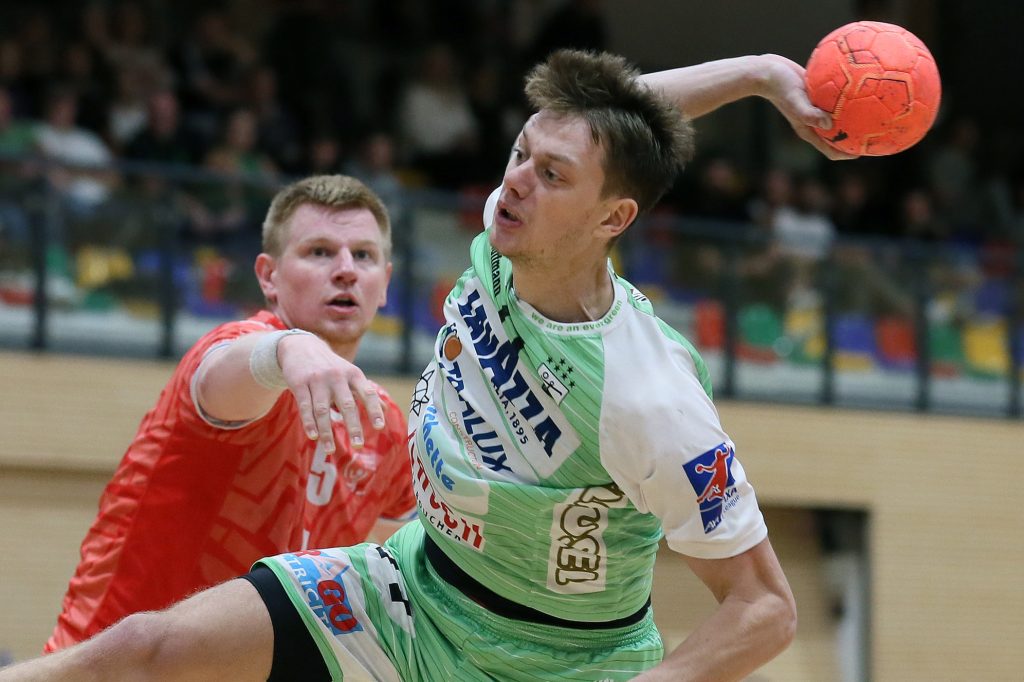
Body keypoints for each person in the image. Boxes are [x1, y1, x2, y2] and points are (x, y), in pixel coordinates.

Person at [2, 49, 849, 681]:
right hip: (410, 590)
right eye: (520, 154)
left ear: (612, 218)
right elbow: (616, 124)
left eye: (551, 174)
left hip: (548, 663)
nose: (516, 182)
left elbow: (767, 609)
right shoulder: (511, 230)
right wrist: (762, 75)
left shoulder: (650, 398)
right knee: (150, 648)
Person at [41, 174, 416, 653]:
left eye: (363, 255)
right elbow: (228, 371)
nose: (345, 270)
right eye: (319, 252)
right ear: (268, 276)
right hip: (113, 667)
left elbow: (404, 570)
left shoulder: (383, 425)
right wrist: (289, 347)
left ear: (385, 282)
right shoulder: (234, 353)